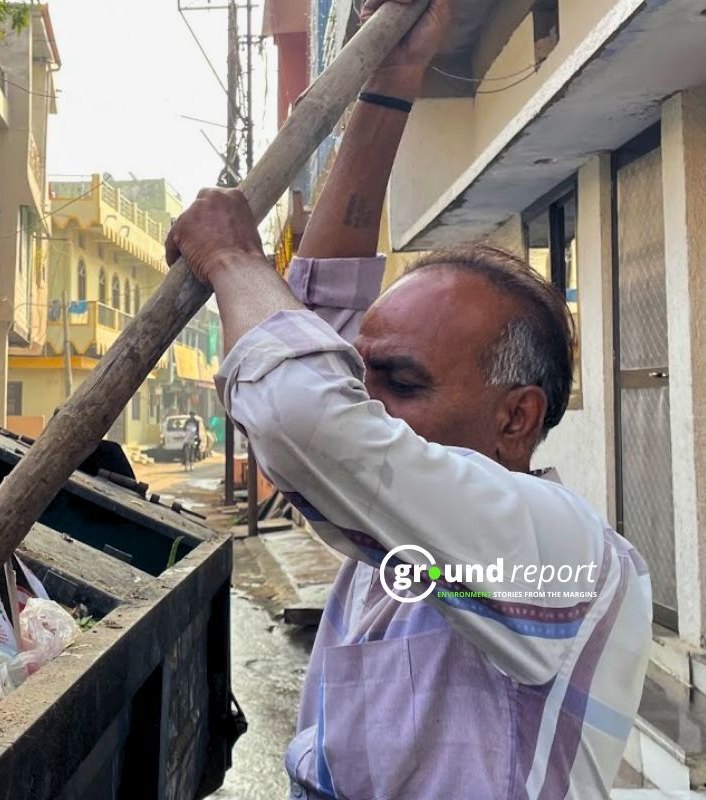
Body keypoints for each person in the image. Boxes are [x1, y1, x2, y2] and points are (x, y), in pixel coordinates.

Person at [165, 0, 652, 795]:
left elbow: (303, 410)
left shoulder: (558, 553)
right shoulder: (404, 552)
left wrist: (230, 256)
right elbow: (314, 330)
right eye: (363, 379)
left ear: (516, 417)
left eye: (401, 382)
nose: (366, 401)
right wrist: (389, 85)